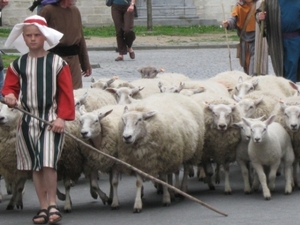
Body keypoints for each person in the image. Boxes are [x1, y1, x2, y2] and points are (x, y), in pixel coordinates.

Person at [2, 15, 75, 224]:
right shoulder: (18, 64)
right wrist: (10, 97)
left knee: (48, 162)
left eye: (36, 35)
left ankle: (53, 204)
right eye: (28, 36)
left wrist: (62, 118)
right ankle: (42, 207)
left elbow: (66, 93)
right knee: (35, 164)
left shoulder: (58, 63)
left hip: (51, 120)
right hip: (27, 120)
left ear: (44, 37)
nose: (32, 39)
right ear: (23, 38)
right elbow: (10, 88)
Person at [39, 0, 92, 89]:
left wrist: (85, 63)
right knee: (56, 92)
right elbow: (38, 34)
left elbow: (80, 38)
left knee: (76, 93)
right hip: (54, 59)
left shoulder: (75, 11)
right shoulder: (47, 10)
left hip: (73, 60)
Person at [257, 0, 300, 82]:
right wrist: (260, 16)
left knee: (292, 65)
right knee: (280, 68)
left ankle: (290, 89)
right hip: (276, 40)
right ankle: (283, 87)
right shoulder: (271, 1)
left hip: (295, 39)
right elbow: (259, 11)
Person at [222, 0, 263, 75]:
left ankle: (252, 79)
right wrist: (228, 23)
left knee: (255, 64)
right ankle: (248, 80)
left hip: (257, 38)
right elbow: (233, 18)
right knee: (246, 64)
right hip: (244, 39)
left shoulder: (260, 4)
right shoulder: (239, 6)